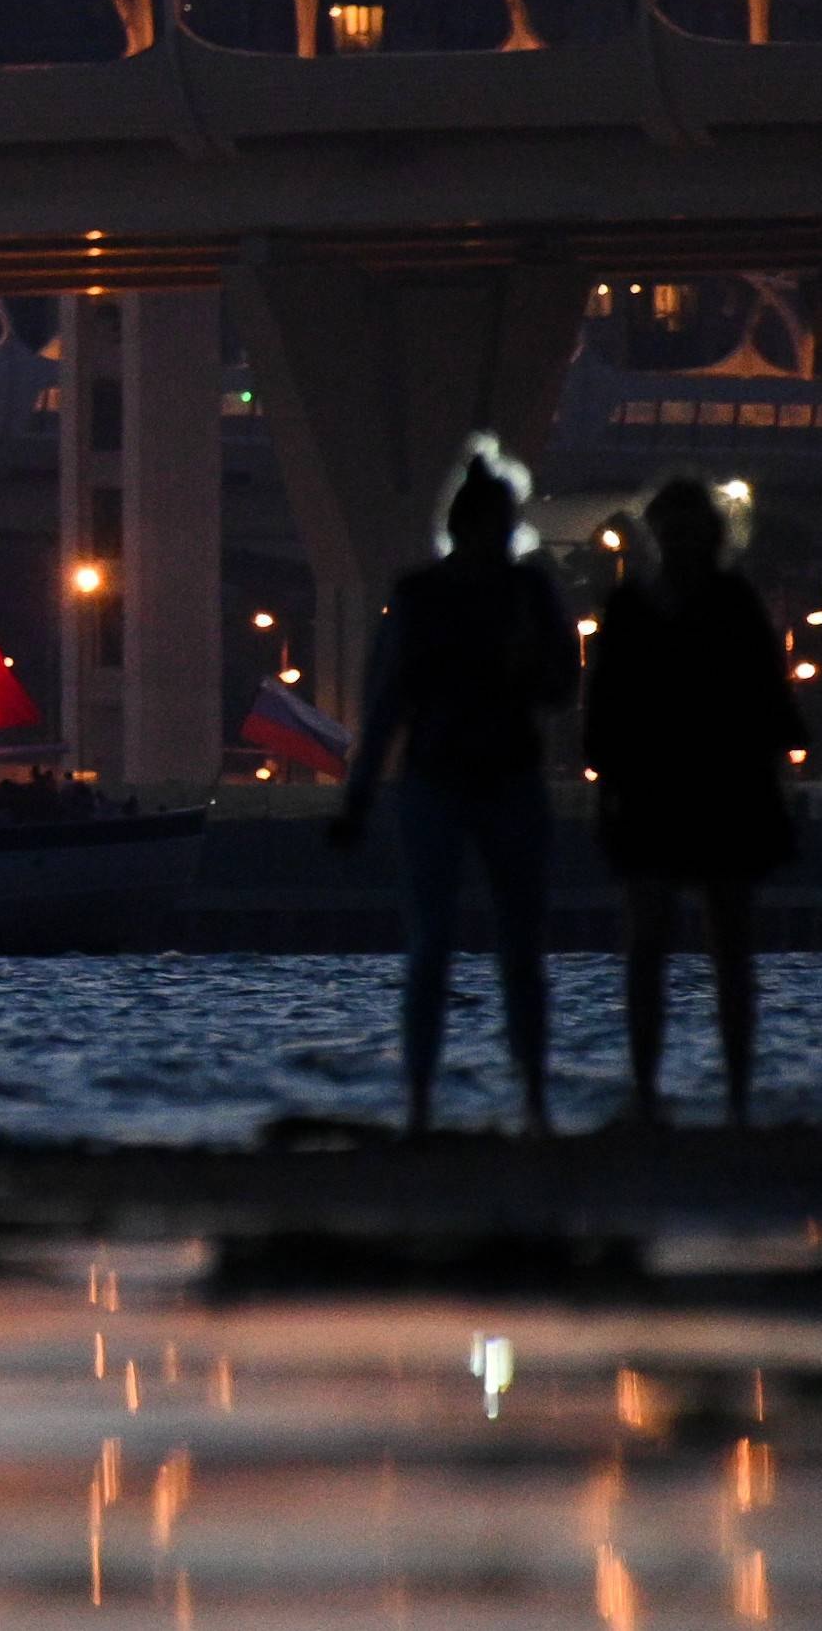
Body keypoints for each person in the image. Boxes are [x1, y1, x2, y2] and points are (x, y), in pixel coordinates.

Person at [334, 449, 579, 1136]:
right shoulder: (522, 593)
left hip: (450, 778)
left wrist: (358, 795)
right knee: (496, 947)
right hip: (486, 778)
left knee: (445, 945)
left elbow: (383, 702)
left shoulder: (425, 594)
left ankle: (428, 1101)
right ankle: (522, 1099)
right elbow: (562, 688)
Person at [578, 475, 804, 1128]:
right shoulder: (728, 602)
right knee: (704, 946)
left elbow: (606, 708)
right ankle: (720, 1095)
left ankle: (664, 1091)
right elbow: (768, 705)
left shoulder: (638, 606)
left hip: (676, 789)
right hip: (711, 788)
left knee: (675, 946)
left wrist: (605, 785)